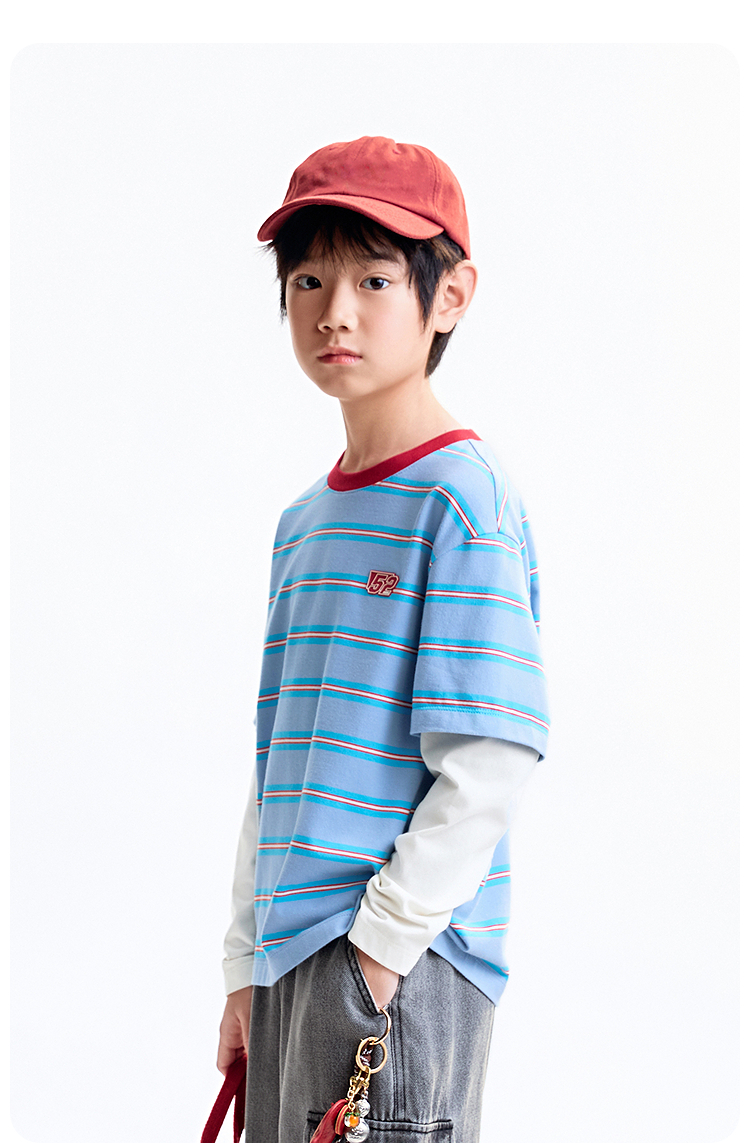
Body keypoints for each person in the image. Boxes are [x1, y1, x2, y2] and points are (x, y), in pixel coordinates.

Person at [215, 136, 550, 1143]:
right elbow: (280, 763)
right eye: (309, 280)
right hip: (294, 958)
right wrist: (246, 964)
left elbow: (489, 758)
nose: (335, 311)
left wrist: (378, 952)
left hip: (397, 957)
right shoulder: (305, 522)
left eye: (373, 279)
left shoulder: (461, 501)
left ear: (450, 297)